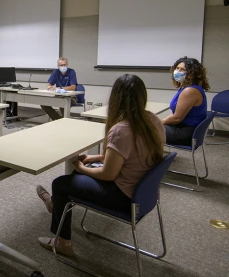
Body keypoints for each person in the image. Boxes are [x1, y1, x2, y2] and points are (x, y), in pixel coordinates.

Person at [36, 74, 165, 256]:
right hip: (143, 193)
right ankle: (56, 204)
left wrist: (81, 167)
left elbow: (108, 175)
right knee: (73, 179)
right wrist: (95, 158)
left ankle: (62, 242)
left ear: (116, 98)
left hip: (123, 196)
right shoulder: (153, 121)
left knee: (60, 184)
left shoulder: (121, 130)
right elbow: (131, 155)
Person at [162, 57, 209, 146]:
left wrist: (157, 123)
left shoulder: (190, 91)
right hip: (183, 127)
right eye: (177, 68)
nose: (177, 71)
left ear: (192, 73)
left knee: (144, 129)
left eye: (182, 69)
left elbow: (176, 118)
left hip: (185, 133)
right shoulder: (186, 88)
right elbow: (177, 114)